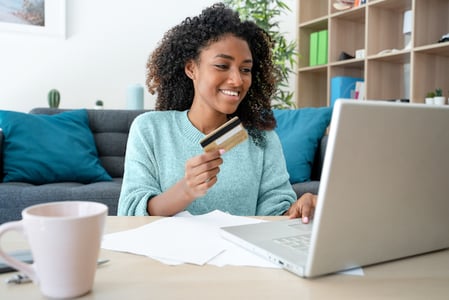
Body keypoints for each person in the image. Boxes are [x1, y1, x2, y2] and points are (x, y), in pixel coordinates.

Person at [118, 2, 317, 222]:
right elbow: (129, 213)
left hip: (241, 255)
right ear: (191, 68)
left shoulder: (261, 139)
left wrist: (300, 208)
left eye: (245, 69)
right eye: (222, 66)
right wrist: (186, 190)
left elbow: (275, 214)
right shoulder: (150, 129)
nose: (237, 80)